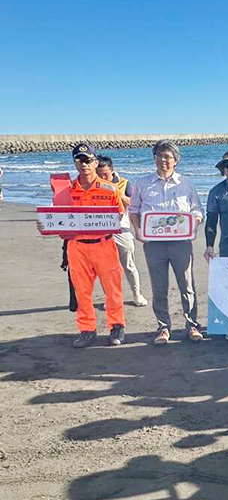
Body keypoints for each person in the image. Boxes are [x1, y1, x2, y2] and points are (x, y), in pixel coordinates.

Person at [36, 143, 126, 347]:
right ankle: (87, 329)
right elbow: (57, 218)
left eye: (88, 160)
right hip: (77, 247)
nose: (84, 164)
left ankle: (117, 326)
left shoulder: (110, 189)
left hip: (104, 245)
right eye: (79, 160)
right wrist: (46, 224)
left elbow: (119, 215)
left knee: (113, 289)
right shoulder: (65, 191)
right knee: (82, 291)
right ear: (75, 163)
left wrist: (115, 219)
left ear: (95, 162)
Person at [129, 140, 205, 346]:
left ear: (176, 160)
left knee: (187, 285)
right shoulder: (142, 183)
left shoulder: (186, 183)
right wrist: (138, 230)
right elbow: (133, 210)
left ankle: (192, 325)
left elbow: (197, 210)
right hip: (153, 244)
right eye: (159, 156)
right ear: (154, 158)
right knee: (159, 286)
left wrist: (194, 224)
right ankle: (163, 327)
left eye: (168, 156)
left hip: (181, 242)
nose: (163, 160)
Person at [96, 155, 148, 307]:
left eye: (105, 174)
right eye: (99, 175)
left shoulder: (124, 183)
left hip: (121, 229)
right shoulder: (92, 185)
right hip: (100, 230)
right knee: (106, 267)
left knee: (129, 264)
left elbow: (134, 204)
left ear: (112, 171)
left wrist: (116, 192)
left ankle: (137, 294)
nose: (102, 178)